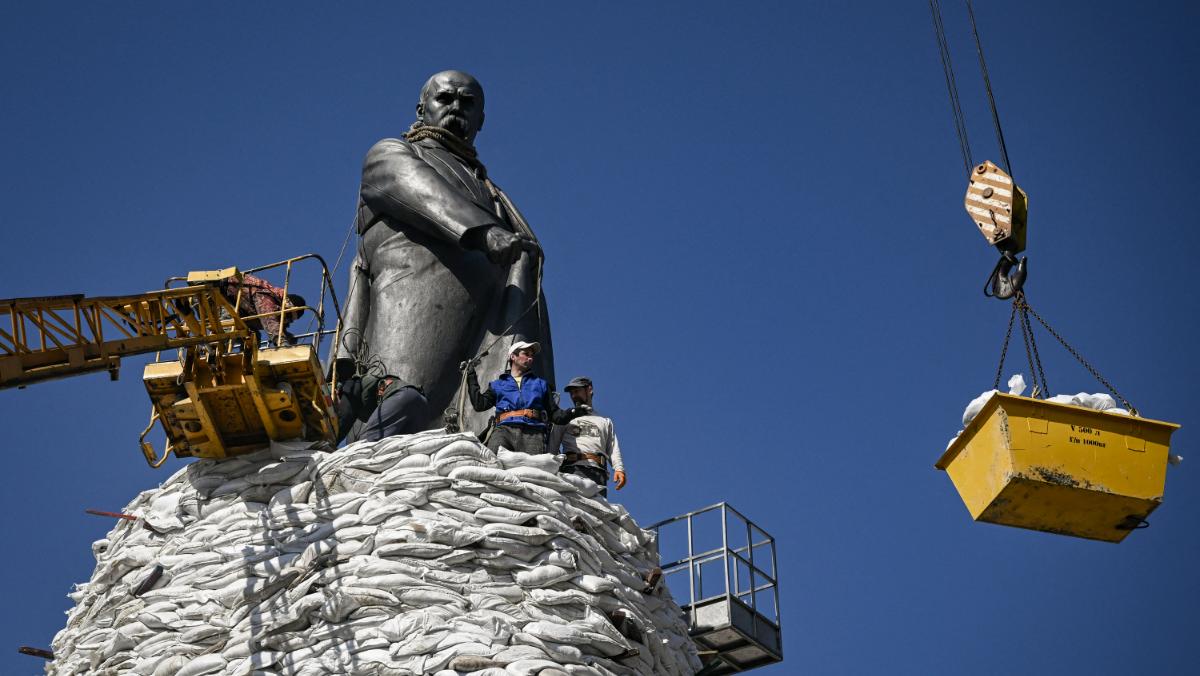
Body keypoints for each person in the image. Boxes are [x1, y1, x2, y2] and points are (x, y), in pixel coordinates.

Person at [335, 70, 554, 434]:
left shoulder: (489, 187)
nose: (456, 108)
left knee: (472, 418)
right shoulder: (392, 152)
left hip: (487, 319)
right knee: (404, 400)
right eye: (445, 99)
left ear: (480, 119)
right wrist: (485, 232)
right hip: (413, 303)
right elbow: (410, 184)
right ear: (422, 108)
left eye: (467, 103)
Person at [466, 340, 568, 454]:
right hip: (503, 431)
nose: (530, 358)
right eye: (526, 354)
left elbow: (554, 414)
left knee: (532, 470)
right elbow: (479, 404)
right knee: (493, 463)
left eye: (532, 355)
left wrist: (573, 412)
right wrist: (470, 375)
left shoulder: (541, 384)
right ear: (513, 357)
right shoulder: (498, 385)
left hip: (533, 432)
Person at [549, 376, 626, 498]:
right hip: (572, 470)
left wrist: (619, 469)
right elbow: (552, 447)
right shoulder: (565, 418)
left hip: (598, 473)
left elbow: (612, 448)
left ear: (589, 390)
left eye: (577, 391)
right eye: (571, 393)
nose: (574, 396)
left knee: (596, 511)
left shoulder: (604, 421)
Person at [333, 373, 429, 445]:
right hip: (421, 405)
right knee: (402, 450)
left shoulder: (348, 388)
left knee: (367, 442)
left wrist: (331, 442)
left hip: (401, 396)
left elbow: (346, 415)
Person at [220, 273, 305, 346]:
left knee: (253, 338)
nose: (286, 320)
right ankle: (215, 355)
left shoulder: (276, 303)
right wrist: (282, 342)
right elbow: (269, 319)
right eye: (288, 315)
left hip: (236, 306)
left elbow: (276, 323)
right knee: (230, 330)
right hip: (220, 295)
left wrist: (287, 336)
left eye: (290, 319)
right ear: (286, 305)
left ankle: (247, 363)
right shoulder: (266, 298)